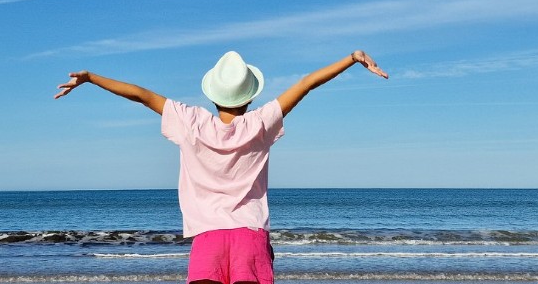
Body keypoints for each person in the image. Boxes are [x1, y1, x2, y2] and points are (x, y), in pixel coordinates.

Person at [53, 50, 388, 284]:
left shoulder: (191, 122)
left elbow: (141, 95)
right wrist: (352, 58)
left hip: (208, 238)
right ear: (250, 96)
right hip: (250, 236)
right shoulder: (260, 123)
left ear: (214, 95)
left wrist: (91, 78)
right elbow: (305, 84)